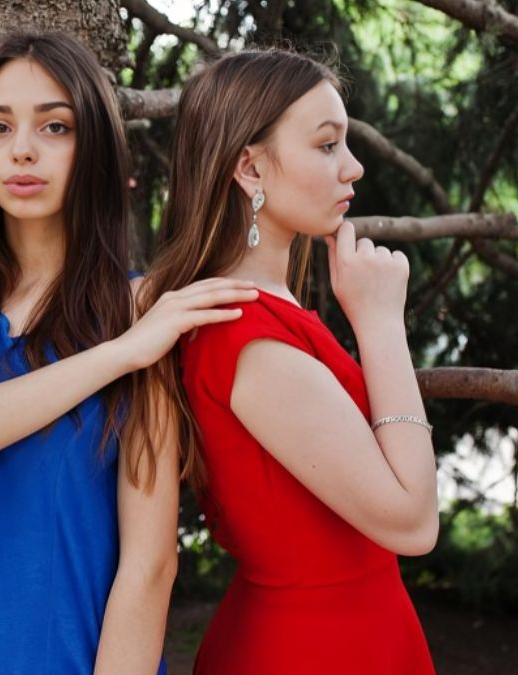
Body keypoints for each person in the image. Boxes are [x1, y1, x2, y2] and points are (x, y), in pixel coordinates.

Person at [0, 32, 255, 675]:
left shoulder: (140, 309)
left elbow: (151, 563)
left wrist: (131, 342)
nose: (22, 149)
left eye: (54, 126)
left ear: (95, 147)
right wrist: (117, 357)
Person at [140, 48, 437, 674]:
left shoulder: (257, 312)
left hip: (339, 631)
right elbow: (412, 524)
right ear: (249, 167)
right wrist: (382, 324)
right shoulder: (249, 337)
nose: (353, 168)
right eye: (327, 146)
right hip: (318, 646)